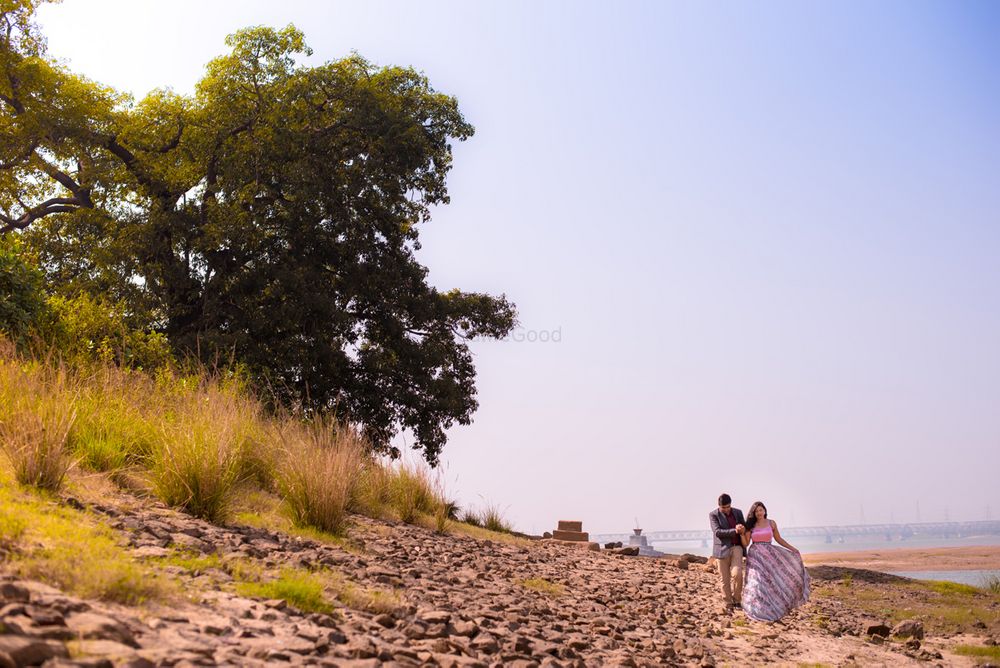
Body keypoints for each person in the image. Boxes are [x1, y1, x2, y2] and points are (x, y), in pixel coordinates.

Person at [740, 501, 810, 622]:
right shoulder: (750, 526)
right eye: (756, 511)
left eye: (761, 510)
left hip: (769, 556)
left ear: (765, 511)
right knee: (756, 582)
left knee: (769, 583)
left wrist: (792, 548)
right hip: (755, 556)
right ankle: (754, 609)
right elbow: (746, 543)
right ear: (754, 513)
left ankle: (769, 608)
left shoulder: (771, 523)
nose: (759, 513)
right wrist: (742, 534)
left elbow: (778, 539)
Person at [709, 493, 746, 609]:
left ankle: (737, 600)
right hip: (721, 549)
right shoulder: (713, 515)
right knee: (724, 579)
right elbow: (717, 532)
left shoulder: (738, 512)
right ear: (719, 506)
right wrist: (734, 530)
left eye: (727, 507)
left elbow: (744, 528)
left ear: (730, 504)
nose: (725, 509)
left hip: (737, 547)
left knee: (737, 574)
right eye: (722, 507)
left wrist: (742, 528)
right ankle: (728, 602)